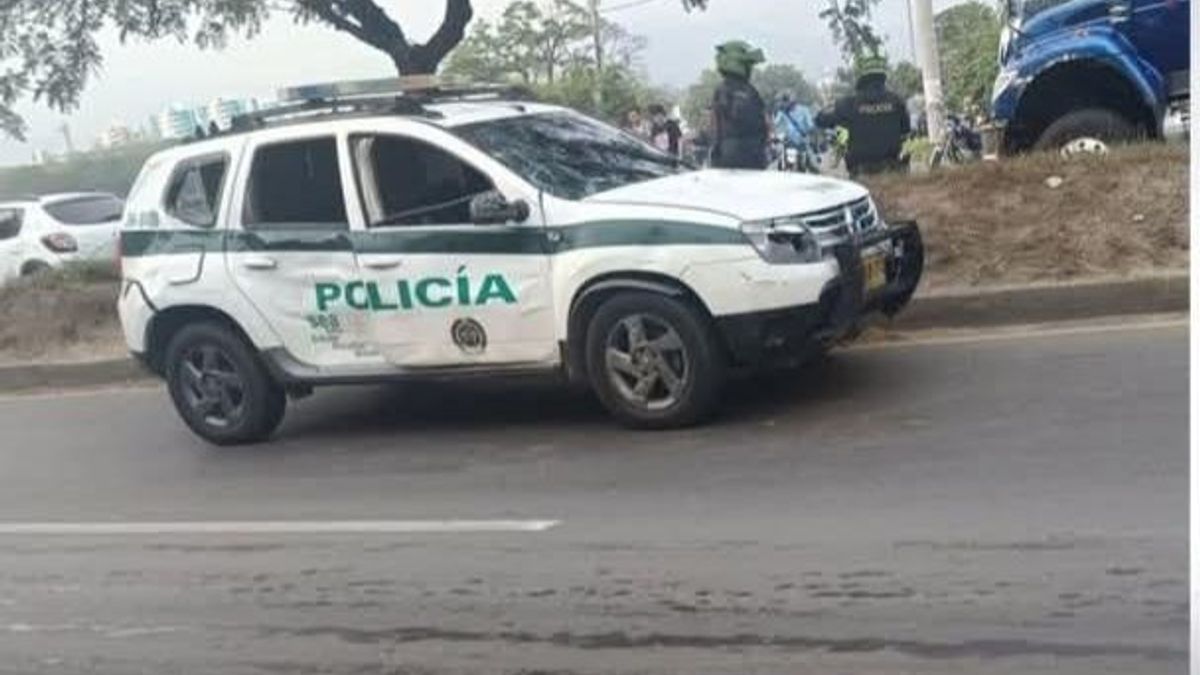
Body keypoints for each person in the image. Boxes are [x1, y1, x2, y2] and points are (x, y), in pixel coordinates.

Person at [816, 53, 911, 177]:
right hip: (892, 172)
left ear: (860, 77)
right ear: (882, 76)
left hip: (862, 175)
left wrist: (830, 105)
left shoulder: (848, 104)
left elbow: (820, 120)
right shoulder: (897, 101)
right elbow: (906, 132)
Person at [709, 40, 769, 169]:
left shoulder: (721, 90)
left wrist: (715, 152)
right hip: (755, 155)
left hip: (728, 155)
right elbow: (765, 124)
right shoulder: (752, 91)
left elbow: (715, 126)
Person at [772, 93, 817, 171]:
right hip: (789, 142)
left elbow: (810, 125)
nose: (783, 104)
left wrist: (808, 131)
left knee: (812, 163)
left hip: (802, 142)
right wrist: (774, 134)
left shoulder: (804, 110)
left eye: (785, 101)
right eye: (783, 102)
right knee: (780, 161)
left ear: (792, 102)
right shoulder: (782, 112)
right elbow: (775, 124)